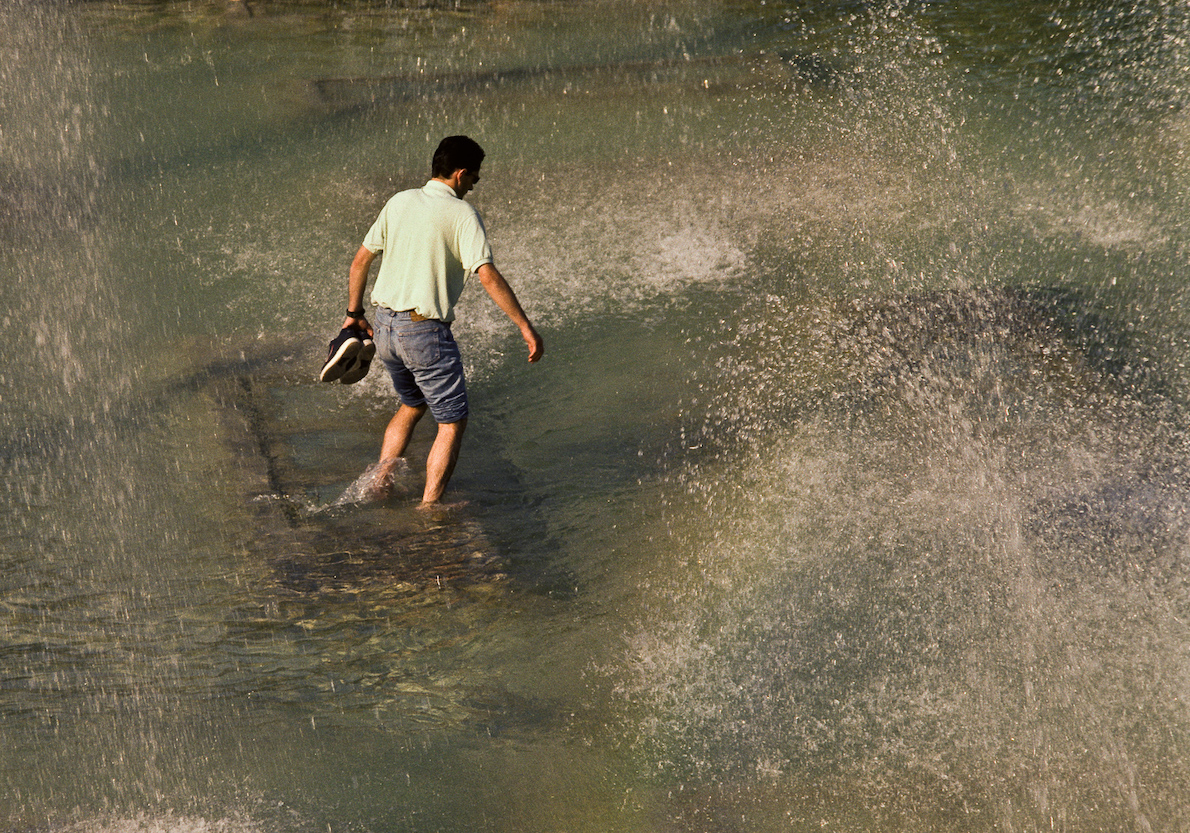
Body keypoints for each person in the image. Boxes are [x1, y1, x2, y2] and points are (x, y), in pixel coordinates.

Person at [341, 135, 544, 508]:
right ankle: (429, 507)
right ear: (461, 173)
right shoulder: (462, 215)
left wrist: (353, 316)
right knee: (451, 422)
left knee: (412, 404)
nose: (472, 188)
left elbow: (359, 262)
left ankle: (380, 482)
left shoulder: (399, 201)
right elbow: (487, 275)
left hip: (384, 326)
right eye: (474, 180)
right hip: (423, 331)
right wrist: (525, 326)